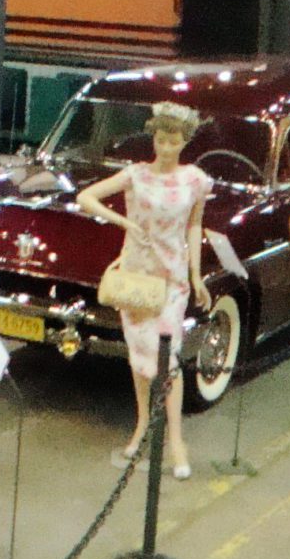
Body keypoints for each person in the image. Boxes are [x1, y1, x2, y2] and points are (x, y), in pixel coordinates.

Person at [76, 101, 212, 479]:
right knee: (139, 356)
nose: (165, 148)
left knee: (168, 357)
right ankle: (141, 426)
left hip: (172, 278)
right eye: (159, 139)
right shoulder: (135, 175)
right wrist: (124, 223)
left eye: (172, 141)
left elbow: (194, 226)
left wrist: (196, 274)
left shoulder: (194, 180)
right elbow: (85, 198)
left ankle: (176, 441)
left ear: (183, 143)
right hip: (137, 277)